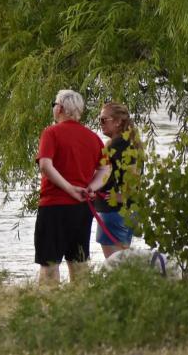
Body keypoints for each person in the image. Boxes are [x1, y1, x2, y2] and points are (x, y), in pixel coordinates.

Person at [35, 90, 104, 285]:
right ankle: (79, 306)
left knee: (49, 263)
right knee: (79, 261)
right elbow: (106, 168)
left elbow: (45, 165)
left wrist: (68, 188)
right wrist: (91, 187)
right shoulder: (93, 138)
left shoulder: (51, 133)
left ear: (60, 108)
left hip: (54, 206)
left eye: (54, 104)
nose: (54, 108)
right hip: (82, 208)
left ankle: (49, 308)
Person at [86, 102, 142, 258]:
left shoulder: (117, 146)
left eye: (104, 120)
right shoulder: (130, 144)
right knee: (121, 261)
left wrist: (122, 196)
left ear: (118, 122)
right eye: (99, 120)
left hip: (114, 213)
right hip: (125, 212)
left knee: (115, 264)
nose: (100, 124)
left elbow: (133, 174)